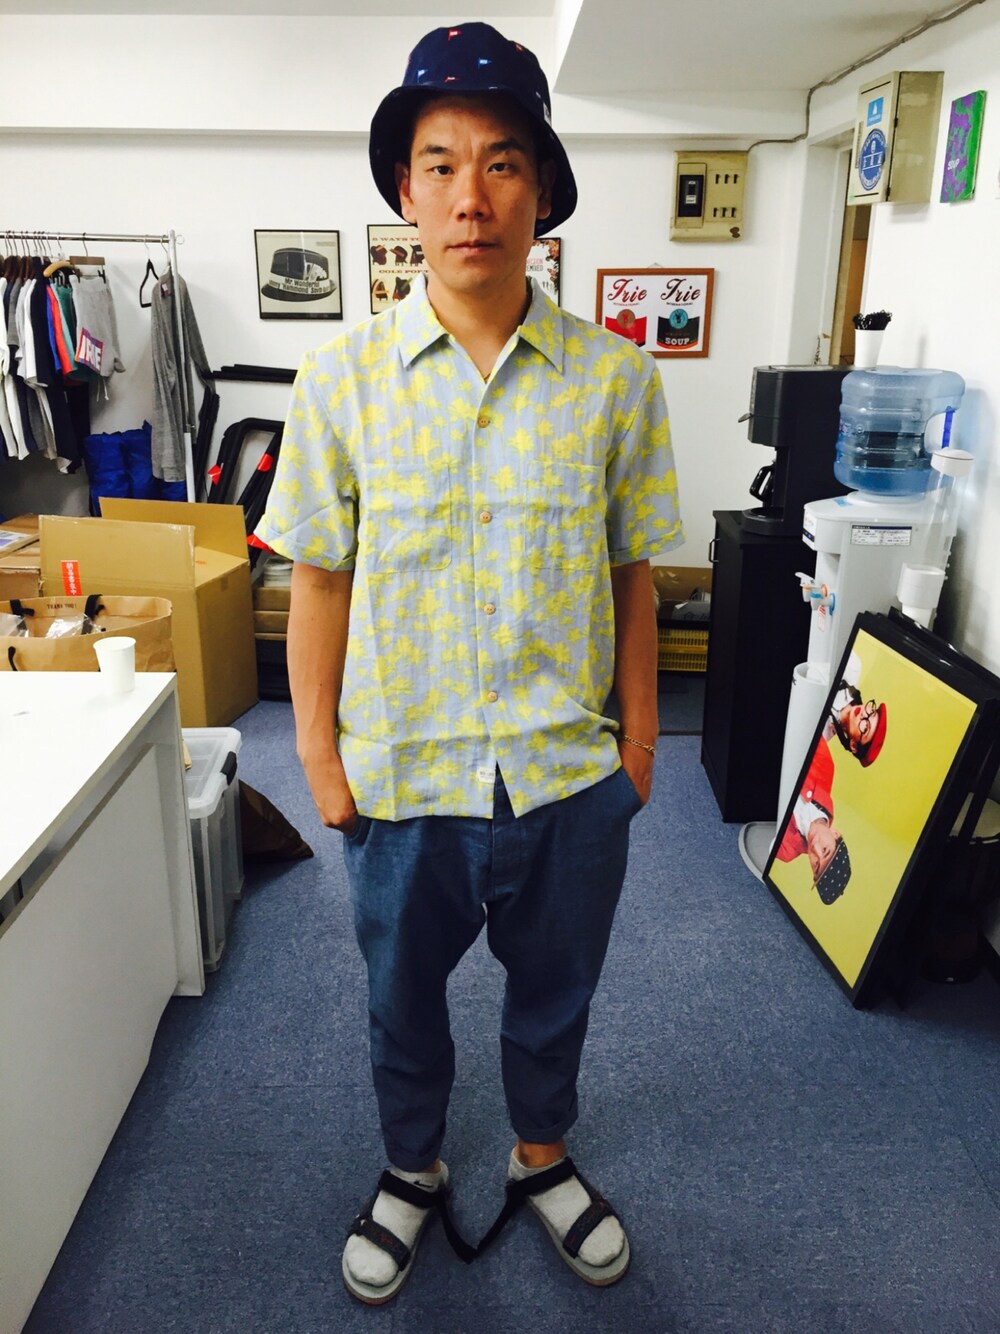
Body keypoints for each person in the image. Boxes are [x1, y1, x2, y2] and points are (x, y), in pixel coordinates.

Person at [255, 21, 683, 1305]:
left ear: (541, 191)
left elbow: (632, 573)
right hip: (401, 776)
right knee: (402, 1000)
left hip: (564, 776)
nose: (470, 196)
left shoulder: (615, 382)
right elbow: (317, 577)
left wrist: (639, 748)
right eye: (440, 164)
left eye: (501, 163)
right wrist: (318, 756)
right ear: (406, 191)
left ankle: (543, 1155)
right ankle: (412, 1165)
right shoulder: (340, 380)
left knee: (556, 990)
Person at [775, 735, 852, 905]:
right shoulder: (826, 767)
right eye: (825, 850)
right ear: (835, 834)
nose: (815, 848)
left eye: (816, 865)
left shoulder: (785, 850)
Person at [823, 649, 888, 766]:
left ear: (853, 744)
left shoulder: (821, 736)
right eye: (872, 713)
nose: (864, 714)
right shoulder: (852, 667)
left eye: (865, 728)